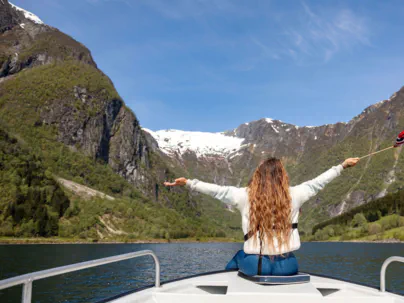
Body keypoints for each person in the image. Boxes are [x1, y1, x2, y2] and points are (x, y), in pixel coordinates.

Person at [164, 157, 360, 277]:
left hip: (255, 265)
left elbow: (218, 191)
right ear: (282, 177)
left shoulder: (245, 196)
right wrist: (342, 166)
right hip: (288, 265)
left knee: (237, 258)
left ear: (258, 177)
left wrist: (189, 183)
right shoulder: (296, 194)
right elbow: (318, 183)